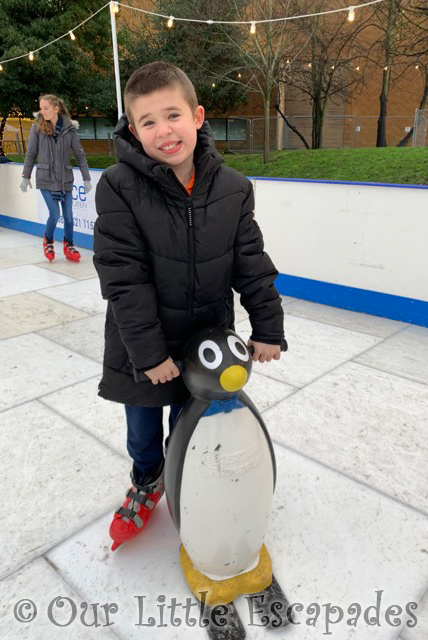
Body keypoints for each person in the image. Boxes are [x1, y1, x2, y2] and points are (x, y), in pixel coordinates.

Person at [93, 61, 287, 551]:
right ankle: (146, 480)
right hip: (144, 347)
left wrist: (267, 326)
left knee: (195, 421)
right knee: (143, 426)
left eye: (172, 114)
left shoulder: (234, 189)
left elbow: (252, 263)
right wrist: (150, 355)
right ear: (134, 131)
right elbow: (123, 278)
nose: (164, 130)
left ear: (198, 116)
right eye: (148, 121)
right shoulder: (118, 186)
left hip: (206, 342)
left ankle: (193, 481)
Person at [20, 94, 92, 262]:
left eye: (45, 108)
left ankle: (69, 245)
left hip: (65, 179)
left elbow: (80, 155)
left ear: (55, 109)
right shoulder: (37, 128)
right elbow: (31, 153)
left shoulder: (70, 129)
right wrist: (26, 176)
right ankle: (48, 240)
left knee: (68, 217)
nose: (42, 111)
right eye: (41, 108)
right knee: (54, 214)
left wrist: (86, 178)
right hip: (45, 178)